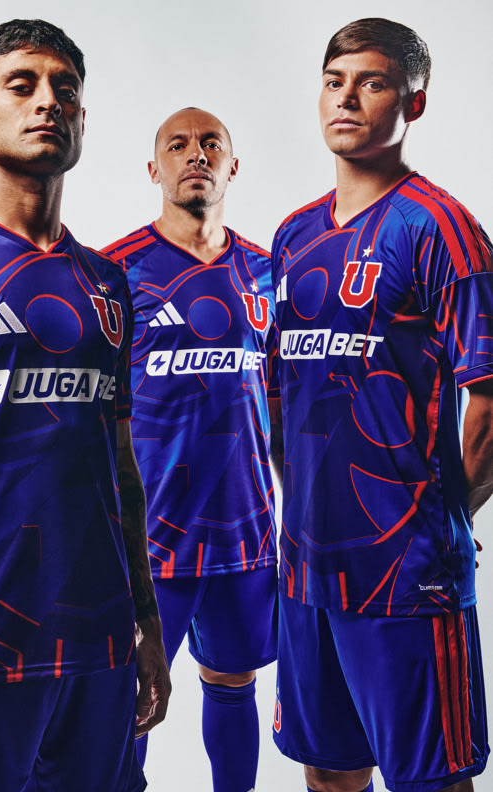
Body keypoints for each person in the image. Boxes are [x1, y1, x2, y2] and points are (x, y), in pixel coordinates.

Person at [0, 18, 170, 792]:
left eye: (66, 90)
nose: (49, 101)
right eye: (22, 85)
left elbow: (121, 469)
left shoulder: (105, 282)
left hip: (101, 644)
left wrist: (146, 622)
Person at [271, 17, 493, 792]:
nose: (346, 98)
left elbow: (490, 399)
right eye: (334, 81)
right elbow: (282, 395)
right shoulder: (293, 236)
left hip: (406, 576)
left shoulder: (442, 228)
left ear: (413, 103)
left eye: (371, 83)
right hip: (305, 568)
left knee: (429, 780)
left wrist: (442, 516)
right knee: (329, 771)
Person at [103, 107, 281, 792]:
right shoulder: (114, 272)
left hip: (244, 530)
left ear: (233, 166)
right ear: (155, 169)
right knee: (128, 701)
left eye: (211, 144)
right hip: (148, 539)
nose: (196, 155)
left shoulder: (266, 271)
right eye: (178, 146)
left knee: (233, 682)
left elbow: (284, 406)